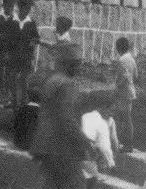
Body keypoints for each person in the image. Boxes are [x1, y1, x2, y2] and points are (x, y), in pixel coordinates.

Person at [31, 43, 88, 189]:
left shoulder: (51, 80)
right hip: (61, 148)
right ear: (67, 64)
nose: (79, 68)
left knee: (51, 184)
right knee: (77, 184)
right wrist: (85, 142)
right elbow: (67, 119)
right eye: (76, 64)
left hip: (44, 144)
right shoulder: (67, 85)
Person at [12, 0, 41, 109]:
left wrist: (33, 43)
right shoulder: (12, 21)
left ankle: (24, 102)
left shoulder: (31, 23)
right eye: (26, 8)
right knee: (13, 78)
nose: (28, 11)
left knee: (24, 79)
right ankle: (14, 101)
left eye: (29, 9)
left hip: (26, 56)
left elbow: (36, 38)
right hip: (14, 55)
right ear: (20, 8)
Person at [81, 104, 120, 187]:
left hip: (75, 150)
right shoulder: (102, 124)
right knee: (92, 177)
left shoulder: (85, 116)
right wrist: (112, 164)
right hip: (86, 153)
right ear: (103, 108)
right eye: (111, 111)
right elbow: (104, 147)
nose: (112, 114)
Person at [0, 0, 19, 103]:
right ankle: (0, 91)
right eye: (7, 6)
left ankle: (8, 92)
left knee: (9, 71)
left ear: (13, 8)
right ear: (3, 7)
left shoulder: (16, 20)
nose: (9, 9)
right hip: (0, 48)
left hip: (11, 49)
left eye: (11, 7)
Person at [113, 37, 138, 152]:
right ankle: (125, 143)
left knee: (125, 119)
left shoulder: (122, 60)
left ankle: (127, 144)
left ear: (119, 48)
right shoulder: (131, 59)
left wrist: (117, 86)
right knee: (126, 118)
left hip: (124, 92)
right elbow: (136, 75)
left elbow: (124, 77)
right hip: (130, 91)